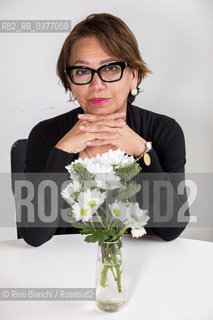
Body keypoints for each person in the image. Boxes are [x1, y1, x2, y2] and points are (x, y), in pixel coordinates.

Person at [18, 13, 189, 247]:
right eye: (82, 71)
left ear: (133, 77)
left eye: (110, 68)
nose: (97, 85)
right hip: (64, 267)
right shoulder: (46, 135)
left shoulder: (164, 131)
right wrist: (63, 151)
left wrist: (142, 152)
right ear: (70, 82)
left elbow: (170, 229)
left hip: (141, 268)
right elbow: (34, 236)